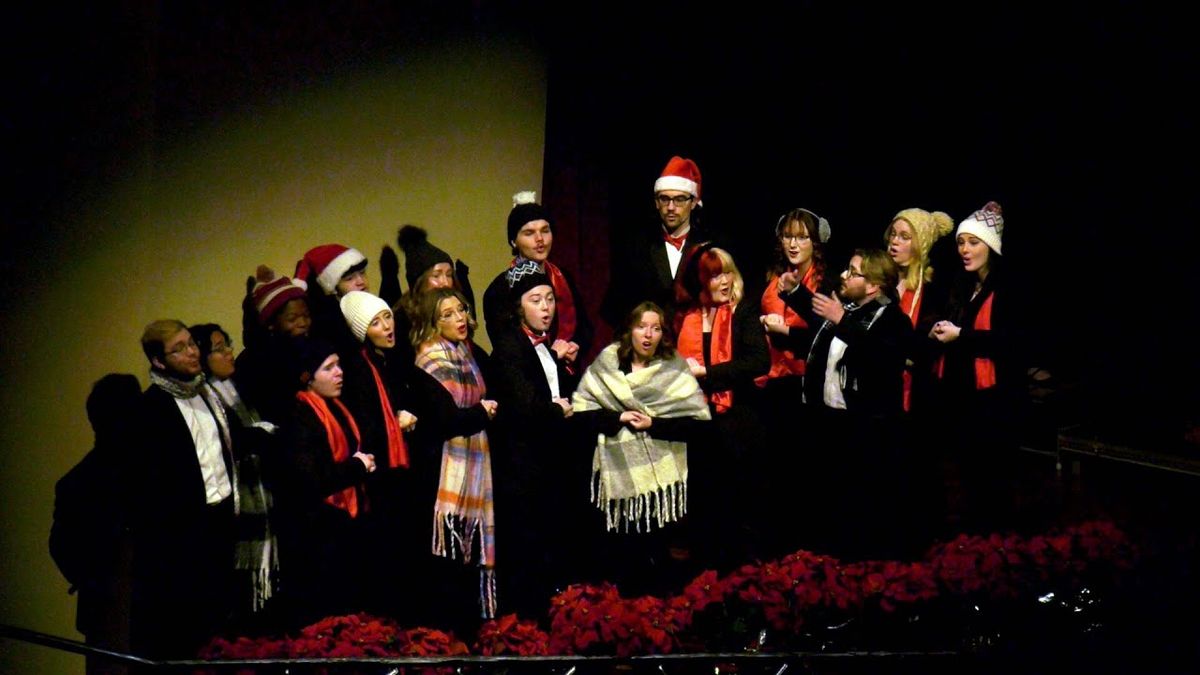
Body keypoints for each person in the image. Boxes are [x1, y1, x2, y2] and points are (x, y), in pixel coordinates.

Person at [779, 250, 914, 558]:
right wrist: (794, 292)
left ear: (873, 286)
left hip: (867, 430)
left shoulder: (892, 319)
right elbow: (821, 318)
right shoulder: (849, 312)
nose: (843, 276)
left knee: (859, 508)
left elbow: (881, 357)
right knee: (827, 502)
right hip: (830, 422)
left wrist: (839, 319)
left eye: (853, 272)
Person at [571, 302, 711, 593]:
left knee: (660, 560)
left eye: (656, 328)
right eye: (641, 327)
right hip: (619, 483)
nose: (648, 335)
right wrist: (618, 417)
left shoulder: (673, 367)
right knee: (624, 559)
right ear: (629, 330)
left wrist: (654, 423)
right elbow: (582, 413)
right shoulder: (607, 364)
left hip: (661, 487)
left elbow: (697, 424)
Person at [131, 321, 241, 658]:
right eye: (178, 348)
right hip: (187, 532)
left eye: (191, 343)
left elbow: (227, 445)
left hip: (222, 516)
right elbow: (154, 483)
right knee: (192, 625)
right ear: (158, 361)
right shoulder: (153, 409)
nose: (192, 352)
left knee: (224, 619)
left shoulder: (206, 392)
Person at [489, 259, 583, 616]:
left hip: (546, 466)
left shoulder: (545, 348)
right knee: (527, 553)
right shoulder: (510, 349)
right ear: (518, 307)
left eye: (549, 299)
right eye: (536, 300)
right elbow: (524, 408)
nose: (546, 308)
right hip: (522, 471)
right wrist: (558, 410)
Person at [928, 201, 1024, 533]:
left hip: (993, 403)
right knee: (965, 479)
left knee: (991, 482)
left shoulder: (1006, 288)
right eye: (961, 243)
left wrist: (962, 335)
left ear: (991, 247)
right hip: (962, 399)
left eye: (973, 243)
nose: (965, 250)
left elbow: (1011, 342)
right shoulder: (964, 286)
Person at [673, 244, 769, 568]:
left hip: (736, 418)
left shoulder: (743, 310)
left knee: (738, 501)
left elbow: (759, 361)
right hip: (698, 419)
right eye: (715, 275)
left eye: (727, 271)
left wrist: (708, 373)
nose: (724, 281)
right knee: (704, 498)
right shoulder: (687, 315)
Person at [412, 288, 500, 622]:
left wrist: (482, 413)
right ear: (432, 323)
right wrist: (481, 414)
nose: (459, 319)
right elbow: (444, 420)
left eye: (460, 310)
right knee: (446, 555)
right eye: (447, 314)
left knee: (468, 556)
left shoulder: (468, 353)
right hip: (443, 468)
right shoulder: (429, 360)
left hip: (477, 462)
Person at [276, 337, 377, 626]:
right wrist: (357, 466)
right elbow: (312, 479)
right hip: (318, 529)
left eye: (338, 365)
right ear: (308, 378)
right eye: (328, 367)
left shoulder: (335, 406)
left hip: (344, 522)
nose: (339, 372)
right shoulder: (300, 417)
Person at [50, 373, 141, 675]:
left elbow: (62, 548)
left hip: (105, 609)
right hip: (121, 608)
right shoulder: (147, 473)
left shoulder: (76, 481)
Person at [190, 323, 280, 625]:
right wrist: (258, 435)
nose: (229, 352)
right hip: (234, 515)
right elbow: (233, 442)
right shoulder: (203, 399)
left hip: (263, 494)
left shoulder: (238, 388)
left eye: (227, 344)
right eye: (218, 349)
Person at [483, 191, 593, 368]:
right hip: (526, 381)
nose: (540, 239)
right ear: (513, 241)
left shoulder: (562, 277)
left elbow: (584, 327)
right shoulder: (500, 289)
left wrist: (575, 345)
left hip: (566, 374)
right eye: (529, 233)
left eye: (545, 231)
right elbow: (506, 348)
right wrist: (551, 355)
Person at [603, 156, 709, 327]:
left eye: (680, 199)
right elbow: (615, 305)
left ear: (694, 202)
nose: (671, 207)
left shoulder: (708, 248)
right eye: (664, 199)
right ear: (656, 202)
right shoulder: (636, 248)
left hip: (694, 347)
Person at [883, 207, 955, 411]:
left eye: (905, 237)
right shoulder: (878, 282)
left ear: (921, 245)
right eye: (894, 235)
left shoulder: (934, 293)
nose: (895, 241)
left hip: (914, 393)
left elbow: (928, 348)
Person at [234, 267, 312, 426]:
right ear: (270, 323)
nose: (303, 323)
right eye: (293, 319)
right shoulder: (253, 362)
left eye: (306, 316)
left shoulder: (311, 348)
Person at [294, 243, 370, 348]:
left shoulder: (373, 307)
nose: (360, 281)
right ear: (334, 287)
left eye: (362, 273)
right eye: (349, 279)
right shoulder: (330, 323)